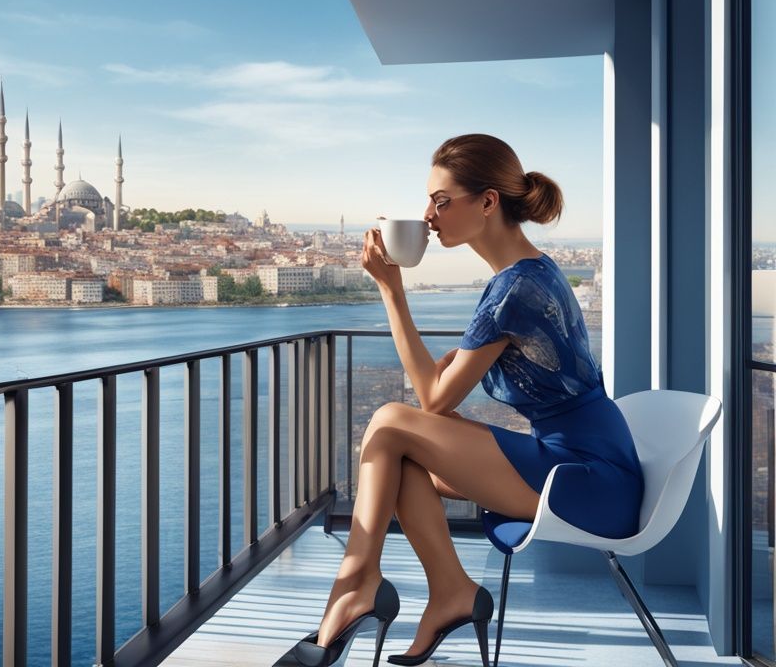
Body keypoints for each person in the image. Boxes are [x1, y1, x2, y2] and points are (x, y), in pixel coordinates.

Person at [273, 133, 644, 667]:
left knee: (390, 422)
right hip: (584, 463)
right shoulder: (528, 273)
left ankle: (355, 584)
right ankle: (449, 591)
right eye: (429, 201)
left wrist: (391, 291)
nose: (428, 215)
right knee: (400, 452)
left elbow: (431, 400)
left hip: (587, 480)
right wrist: (460, 360)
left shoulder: (513, 290)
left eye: (441, 201)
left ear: (488, 202)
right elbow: (452, 390)